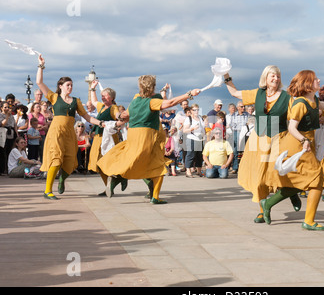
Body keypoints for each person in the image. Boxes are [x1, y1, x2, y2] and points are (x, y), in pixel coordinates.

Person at [96, 74, 201, 204]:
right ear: (152, 87)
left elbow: (125, 116)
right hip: (147, 135)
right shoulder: (152, 102)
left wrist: (118, 117)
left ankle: (118, 178)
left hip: (134, 134)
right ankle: (154, 196)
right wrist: (189, 94)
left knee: (133, 159)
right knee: (157, 165)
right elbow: (170, 103)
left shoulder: (135, 100)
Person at [223, 66, 302, 224]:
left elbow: (300, 110)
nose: (276, 79)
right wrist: (225, 74)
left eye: (278, 76)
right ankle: (262, 210)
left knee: (277, 173)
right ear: (265, 78)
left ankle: (290, 192)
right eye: (272, 76)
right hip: (257, 138)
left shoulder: (287, 97)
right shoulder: (258, 93)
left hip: (278, 137)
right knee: (258, 178)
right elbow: (234, 93)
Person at [261, 70, 324, 230]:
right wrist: (304, 140)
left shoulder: (313, 100)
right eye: (316, 79)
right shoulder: (300, 104)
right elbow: (292, 127)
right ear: (308, 84)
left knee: (297, 183)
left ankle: (268, 203)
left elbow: (322, 105)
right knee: (316, 180)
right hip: (297, 145)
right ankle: (308, 221)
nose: (319, 80)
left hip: (305, 144)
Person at [36, 54, 105, 200]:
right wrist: (41, 66)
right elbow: (39, 82)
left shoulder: (76, 101)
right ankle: (47, 191)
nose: (70, 87)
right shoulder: (54, 97)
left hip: (69, 133)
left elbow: (86, 117)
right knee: (56, 160)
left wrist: (100, 122)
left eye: (72, 85)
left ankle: (62, 179)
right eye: (68, 85)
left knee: (71, 163)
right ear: (60, 86)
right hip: (55, 132)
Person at [87, 81, 121, 193]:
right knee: (97, 163)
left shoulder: (113, 107)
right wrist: (92, 88)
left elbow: (117, 114)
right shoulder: (101, 107)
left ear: (111, 97)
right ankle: (108, 187)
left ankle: (118, 179)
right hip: (98, 138)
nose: (103, 97)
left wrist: (119, 117)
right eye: (102, 95)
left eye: (105, 95)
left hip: (108, 138)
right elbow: (94, 101)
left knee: (107, 162)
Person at [183, 103, 205, 178]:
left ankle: (199, 171)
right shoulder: (188, 118)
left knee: (199, 155)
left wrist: (203, 134)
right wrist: (192, 128)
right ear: (191, 110)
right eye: (194, 110)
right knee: (190, 154)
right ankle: (188, 171)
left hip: (200, 138)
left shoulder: (200, 118)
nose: (196, 111)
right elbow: (184, 130)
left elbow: (203, 128)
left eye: (197, 110)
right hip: (191, 138)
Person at [228, 101, 249, 174]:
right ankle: (235, 168)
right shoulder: (234, 115)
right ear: (238, 107)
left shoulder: (247, 115)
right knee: (235, 150)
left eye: (244, 106)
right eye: (241, 107)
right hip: (236, 132)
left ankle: (245, 167)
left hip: (245, 133)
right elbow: (231, 125)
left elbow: (249, 123)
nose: (243, 108)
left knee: (245, 151)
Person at [0, 101, 18, 174]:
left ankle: (8, 168)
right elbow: (3, 124)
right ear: (1, 108)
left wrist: (17, 134)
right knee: (3, 152)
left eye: (8, 107)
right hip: (3, 134)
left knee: (9, 152)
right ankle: (2, 169)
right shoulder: (1, 115)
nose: (7, 108)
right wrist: (7, 116)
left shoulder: (11, 116)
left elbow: (15, 125)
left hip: (11, 134)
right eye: (5, 107)